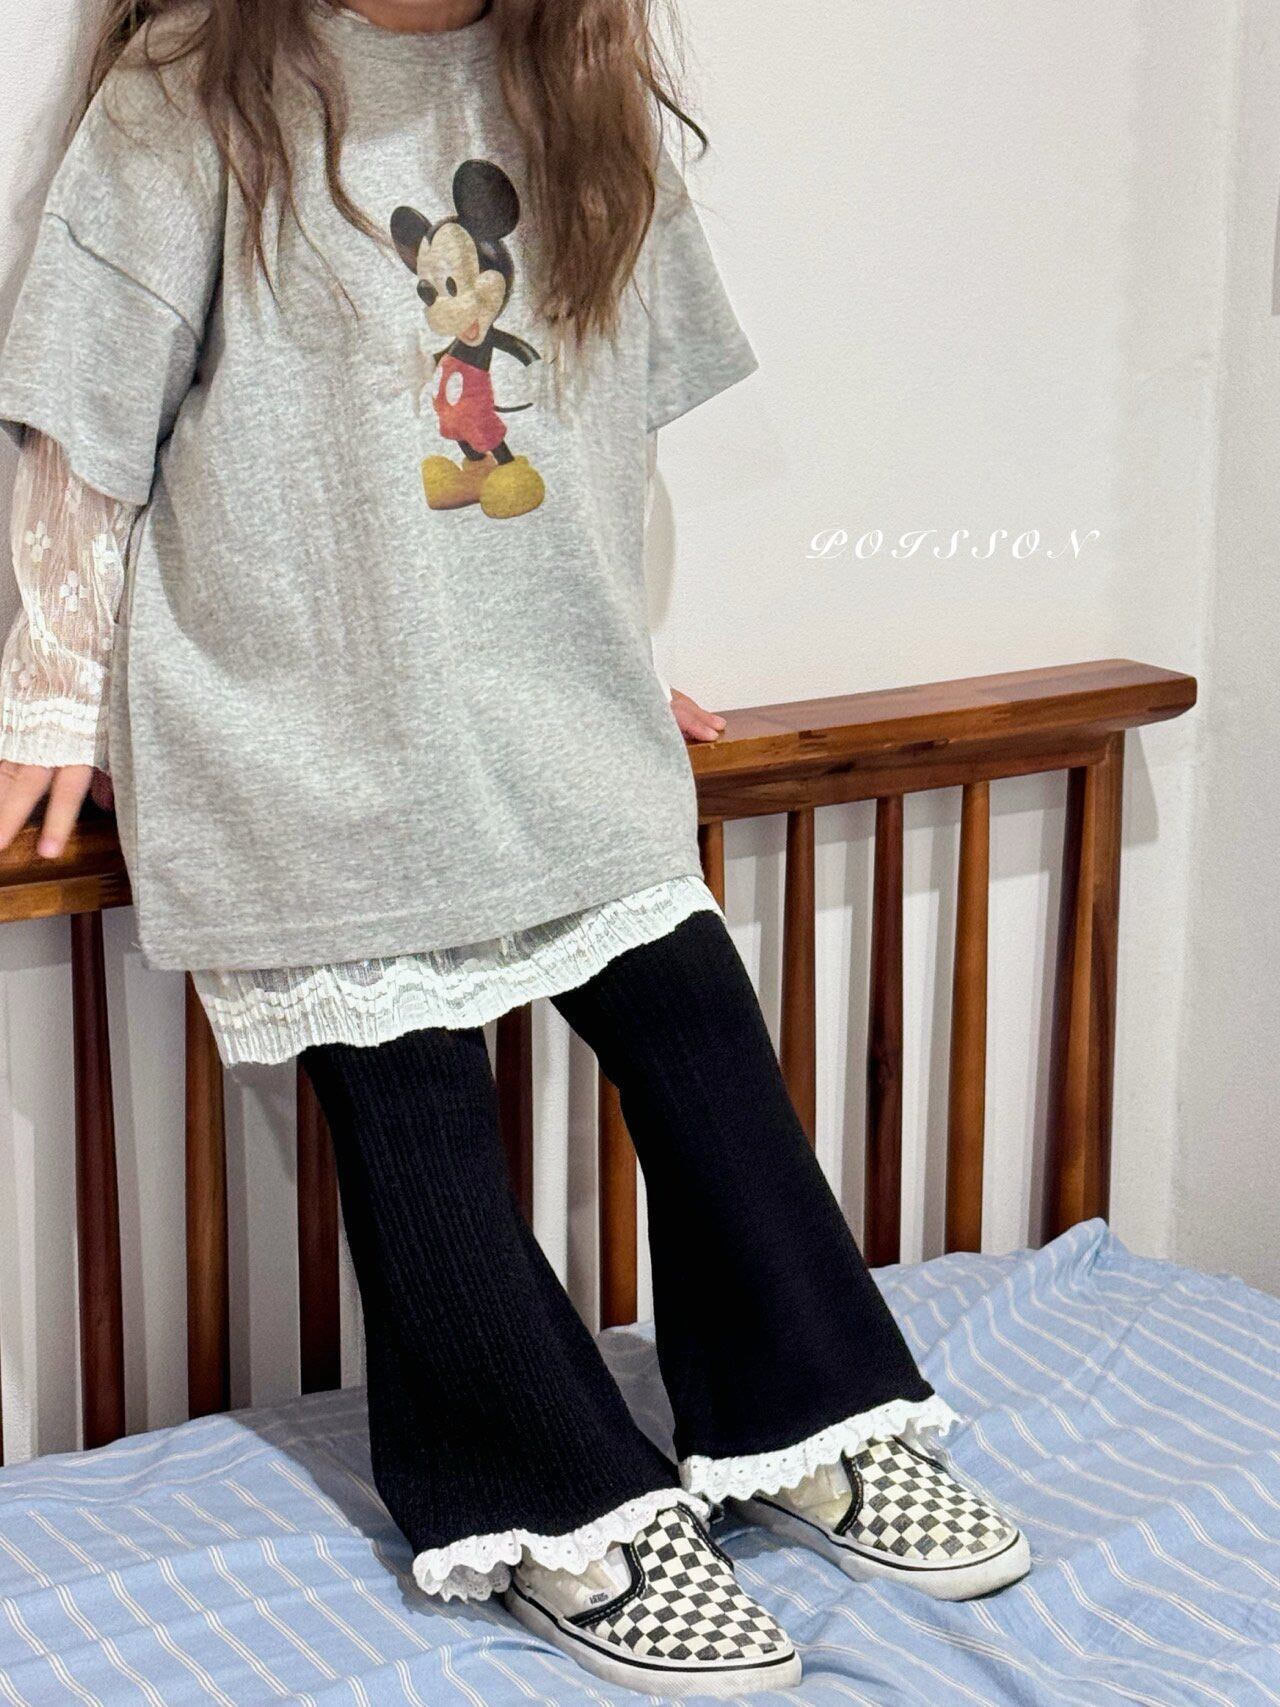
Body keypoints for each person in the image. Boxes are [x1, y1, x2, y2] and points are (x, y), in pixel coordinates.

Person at [0, 0, 1029, 1693]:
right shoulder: (194, 92)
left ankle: (809, 1406)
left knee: (697, 1028)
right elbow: (83, 420)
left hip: (546, 705)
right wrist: (51, 695)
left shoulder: (579, 90)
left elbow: (605, 425)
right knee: (409, 1092)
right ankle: (545, 1492)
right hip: (304, 716)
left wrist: (609, 648)